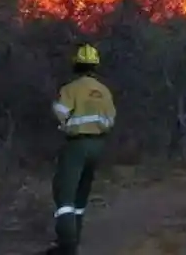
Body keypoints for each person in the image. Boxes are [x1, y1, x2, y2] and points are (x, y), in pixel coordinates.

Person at [46, 44, 116, 255]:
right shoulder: (104, 91)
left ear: (76, 65)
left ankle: (66, 245)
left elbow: (59, 112)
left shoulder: (71, 89)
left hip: (76, 145)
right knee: (81, 195)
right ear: (95, 66)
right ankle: (75, 239)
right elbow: (110, 120)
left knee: (64, 194)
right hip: (97, 145)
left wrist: (66, 124)